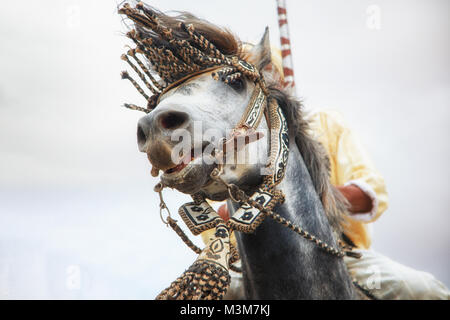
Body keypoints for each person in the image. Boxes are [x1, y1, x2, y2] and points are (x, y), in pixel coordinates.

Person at [201, 49, 449, 300]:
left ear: (281, 82)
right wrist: (233, 210)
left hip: (340, 257)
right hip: (249, 269)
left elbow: (371, 194)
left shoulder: (326, 124)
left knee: (425, 291)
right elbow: (211, 220)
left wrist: (311, 197)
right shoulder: (220, 145)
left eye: (264, 78)